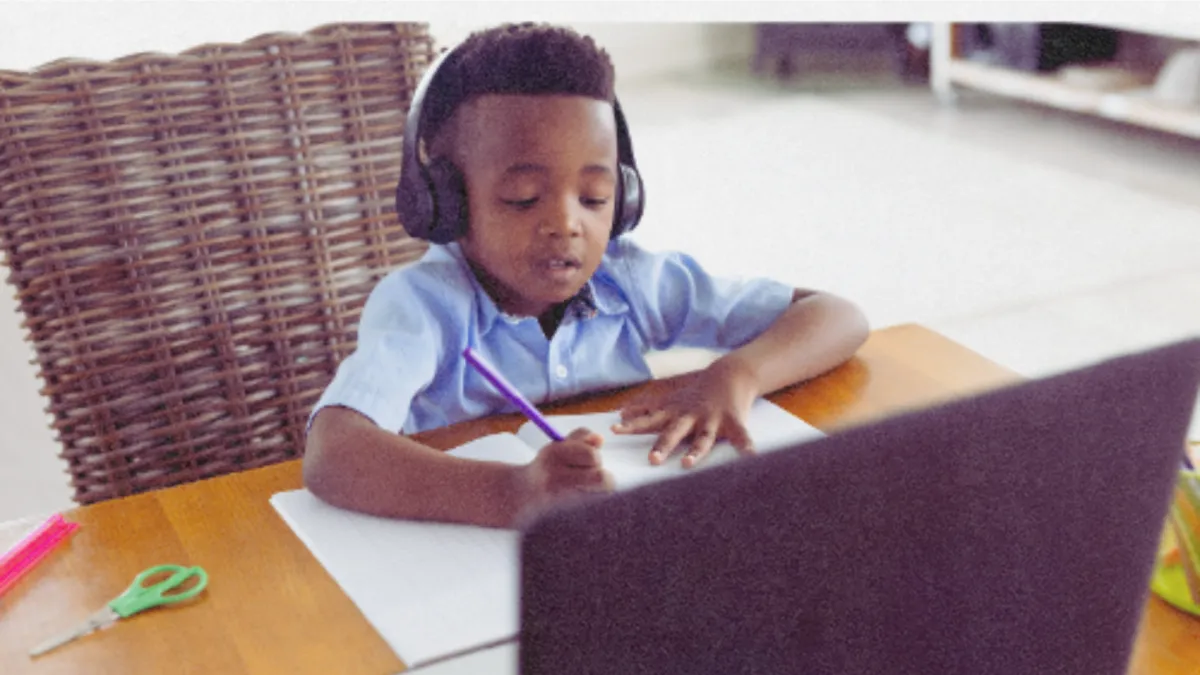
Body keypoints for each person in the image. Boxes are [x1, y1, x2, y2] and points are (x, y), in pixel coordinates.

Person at [303, 22, 869, 528]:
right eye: (523, 199)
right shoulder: (424, 306)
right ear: (444, 203)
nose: (566, 224)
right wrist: (513, 492)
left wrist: (737, 375)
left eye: (595, 197)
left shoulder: (627, 280)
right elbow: (333, 453)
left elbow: (838, 317)